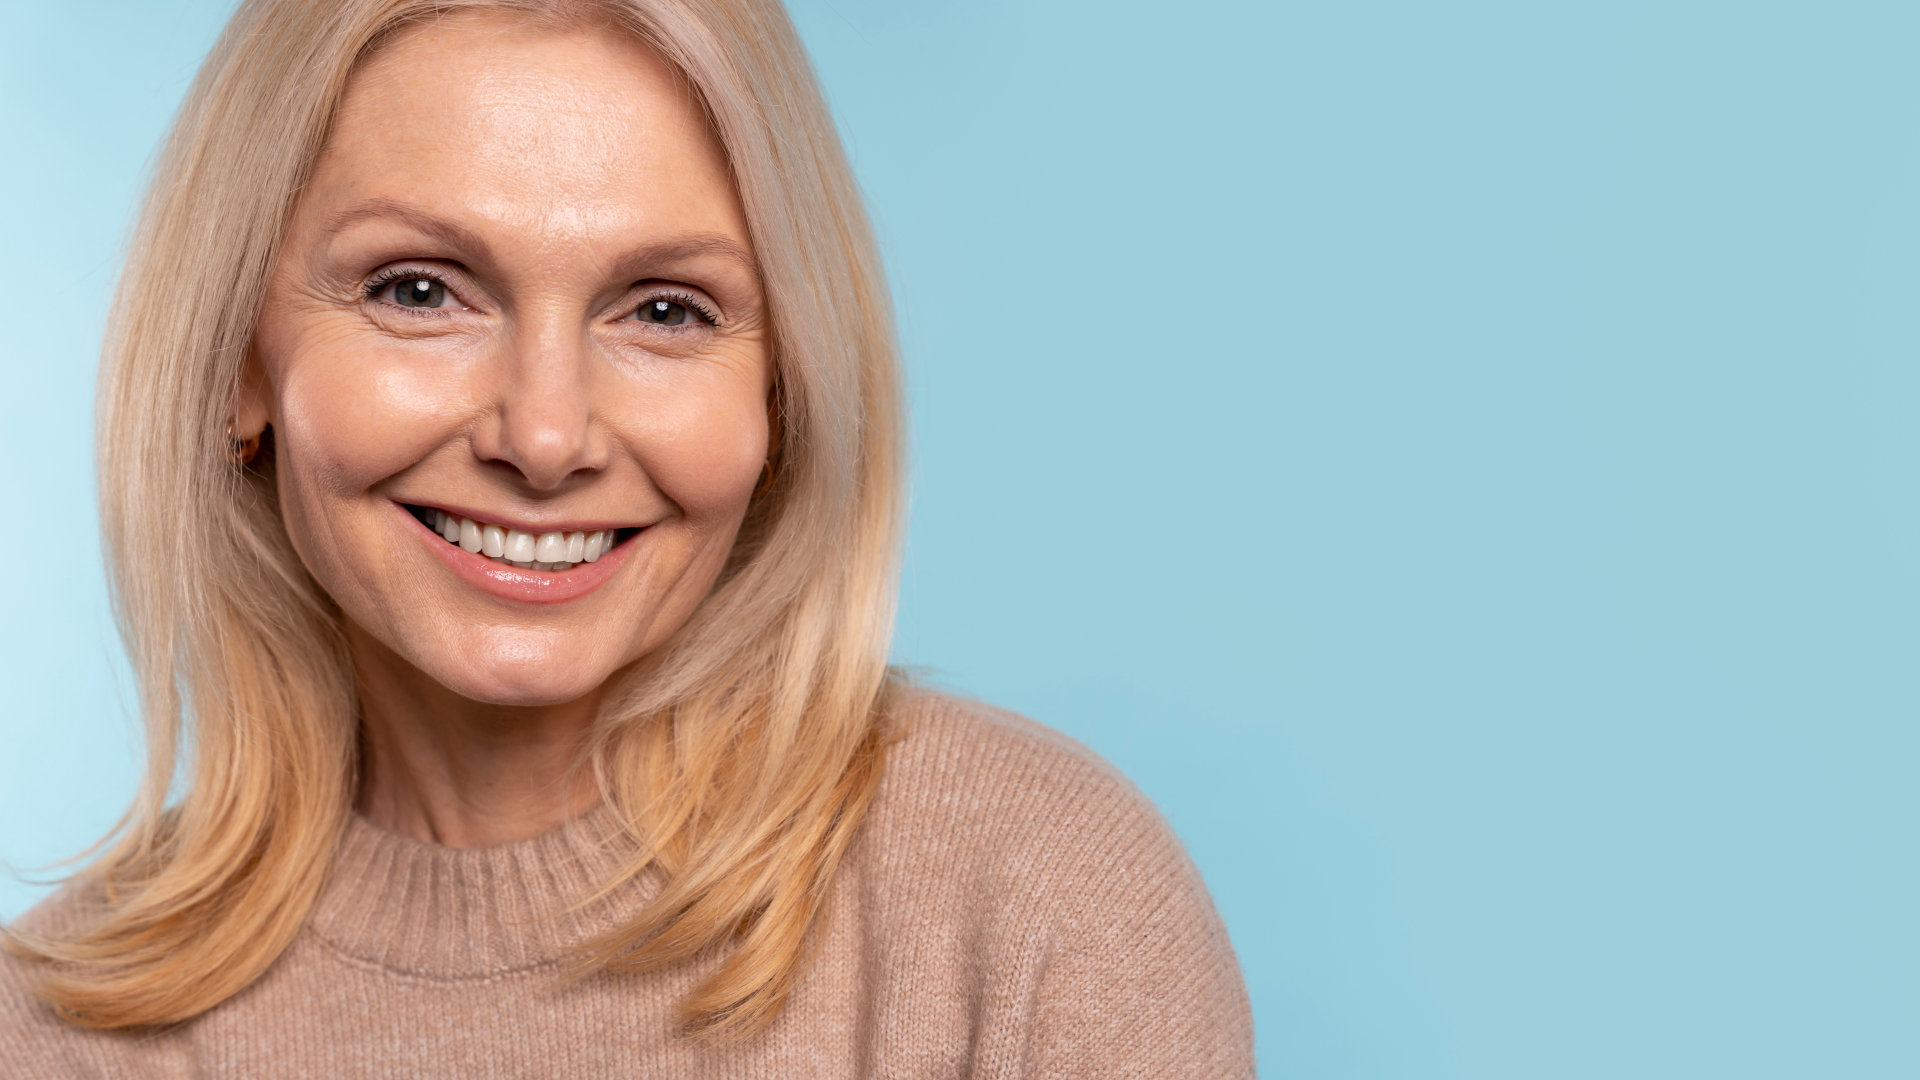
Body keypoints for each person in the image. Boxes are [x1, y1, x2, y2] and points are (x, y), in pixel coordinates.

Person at [0, 0, 1252, 1074]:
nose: (545, 439)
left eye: (666, 309)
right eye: (420, 289)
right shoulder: (44, 1036)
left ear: (782, 391)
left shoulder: (1039, 909)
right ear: (237, 363)